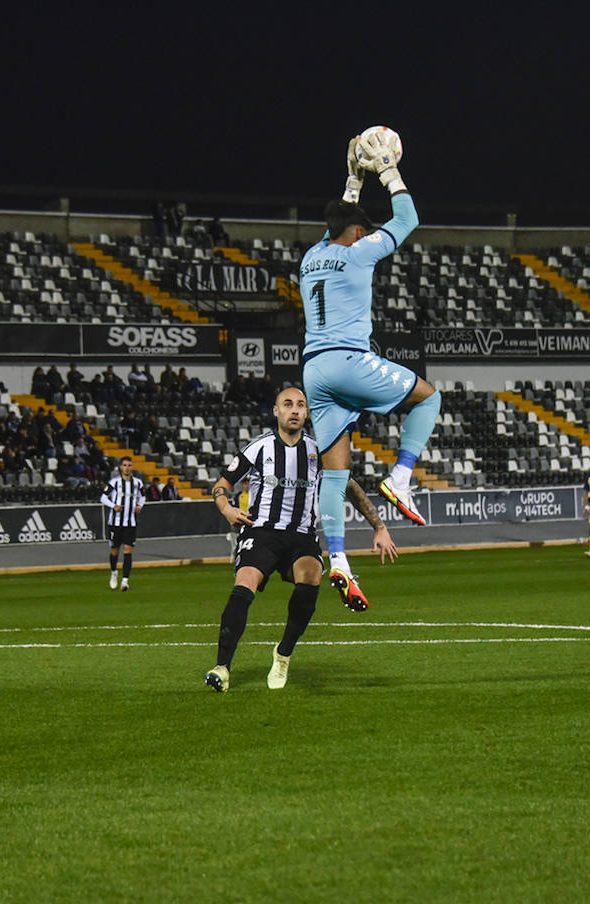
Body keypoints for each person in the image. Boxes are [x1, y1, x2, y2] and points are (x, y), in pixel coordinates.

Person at [300, 130, 438, 611]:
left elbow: (339, 217)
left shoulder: (312, 256)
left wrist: (353, 177)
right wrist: (386, 168)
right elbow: (409, 218)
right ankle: (400, 478)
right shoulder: (360, 251)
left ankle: (337, 560)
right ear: (358, 233)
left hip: (314, 371)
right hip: (348, 360)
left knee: (335, 478)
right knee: (429, 396)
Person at [204, 384, 397, 693]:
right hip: (261, 532)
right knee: (244, 585)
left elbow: (351, 486)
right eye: (288, 404)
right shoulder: (258, 448)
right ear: (276, 411)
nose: (295, 409)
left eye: (301, 405)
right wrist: (225, 506)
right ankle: (222, 667)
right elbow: (221, 485)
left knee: (311, 579)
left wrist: (379, 526)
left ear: (307, 413)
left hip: (301, 536)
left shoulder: (318, 450)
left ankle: (283, 654)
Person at [101, 456, 145, 591]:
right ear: (120, 467)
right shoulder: (114, 483)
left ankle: (125, 581)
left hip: (130, 523)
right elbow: (103, 497)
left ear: (132, 467)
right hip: (115, 523)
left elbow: (142, 496)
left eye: (129, 465)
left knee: (128, 550)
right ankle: (114, 572)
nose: (127, 468)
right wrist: (114, 506)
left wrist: (140, 506)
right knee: (115, 551)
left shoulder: (138, 483)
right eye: (125, 465)